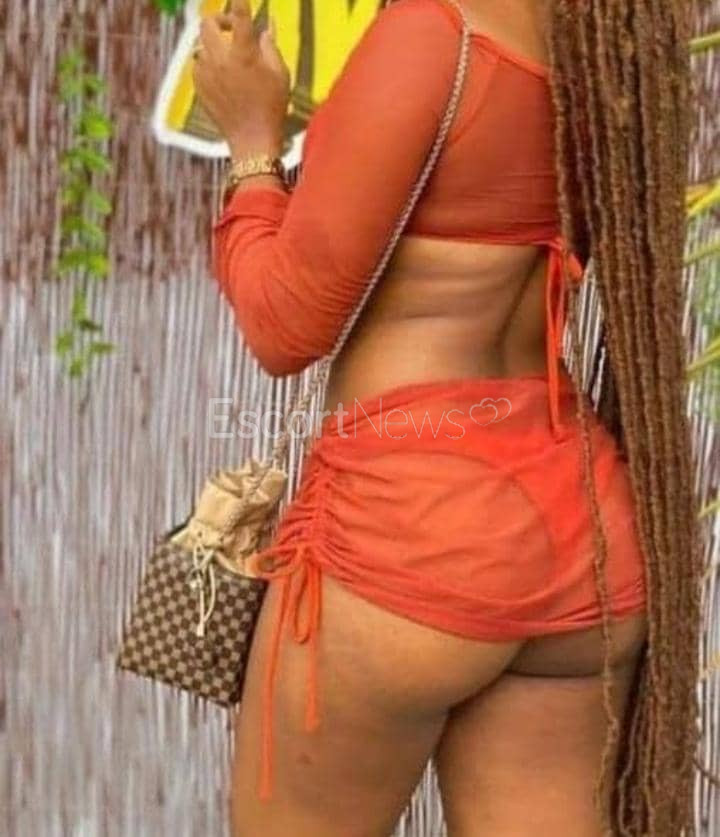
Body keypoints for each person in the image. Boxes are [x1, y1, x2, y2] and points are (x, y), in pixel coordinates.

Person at [193, 0, 702, 834]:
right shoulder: (609, 44)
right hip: (583, 529)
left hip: (415, 522)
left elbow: (283, 323)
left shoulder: (436, 34)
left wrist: (253, 142)